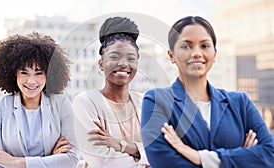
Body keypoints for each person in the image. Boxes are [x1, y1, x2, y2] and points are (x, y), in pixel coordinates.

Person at [141, 16, 274, 167]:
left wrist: (198, 157)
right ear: (171, 56)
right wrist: (241, 159)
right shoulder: (157, 101)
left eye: (204, 46)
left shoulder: (240, 103)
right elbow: (163, 162)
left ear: (215, 54)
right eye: (186, 46)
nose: (196, 53)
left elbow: (270, 154)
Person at [0, 32, 80, 168]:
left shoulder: (62, 105)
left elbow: (71, 160)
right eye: (24, 72)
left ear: (49, 75)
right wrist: (51, 160)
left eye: (39, 73)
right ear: (13, 73)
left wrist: (14, 162)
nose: (31, 81)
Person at [72, 17, 149, 168]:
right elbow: (101, 161)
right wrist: (142, 154)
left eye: (131, 58)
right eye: (114, 57)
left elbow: (162, 152)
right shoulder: (86, 102)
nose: (123, 64)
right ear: (101, 64)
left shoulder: (145, 102)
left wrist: (122, 146)